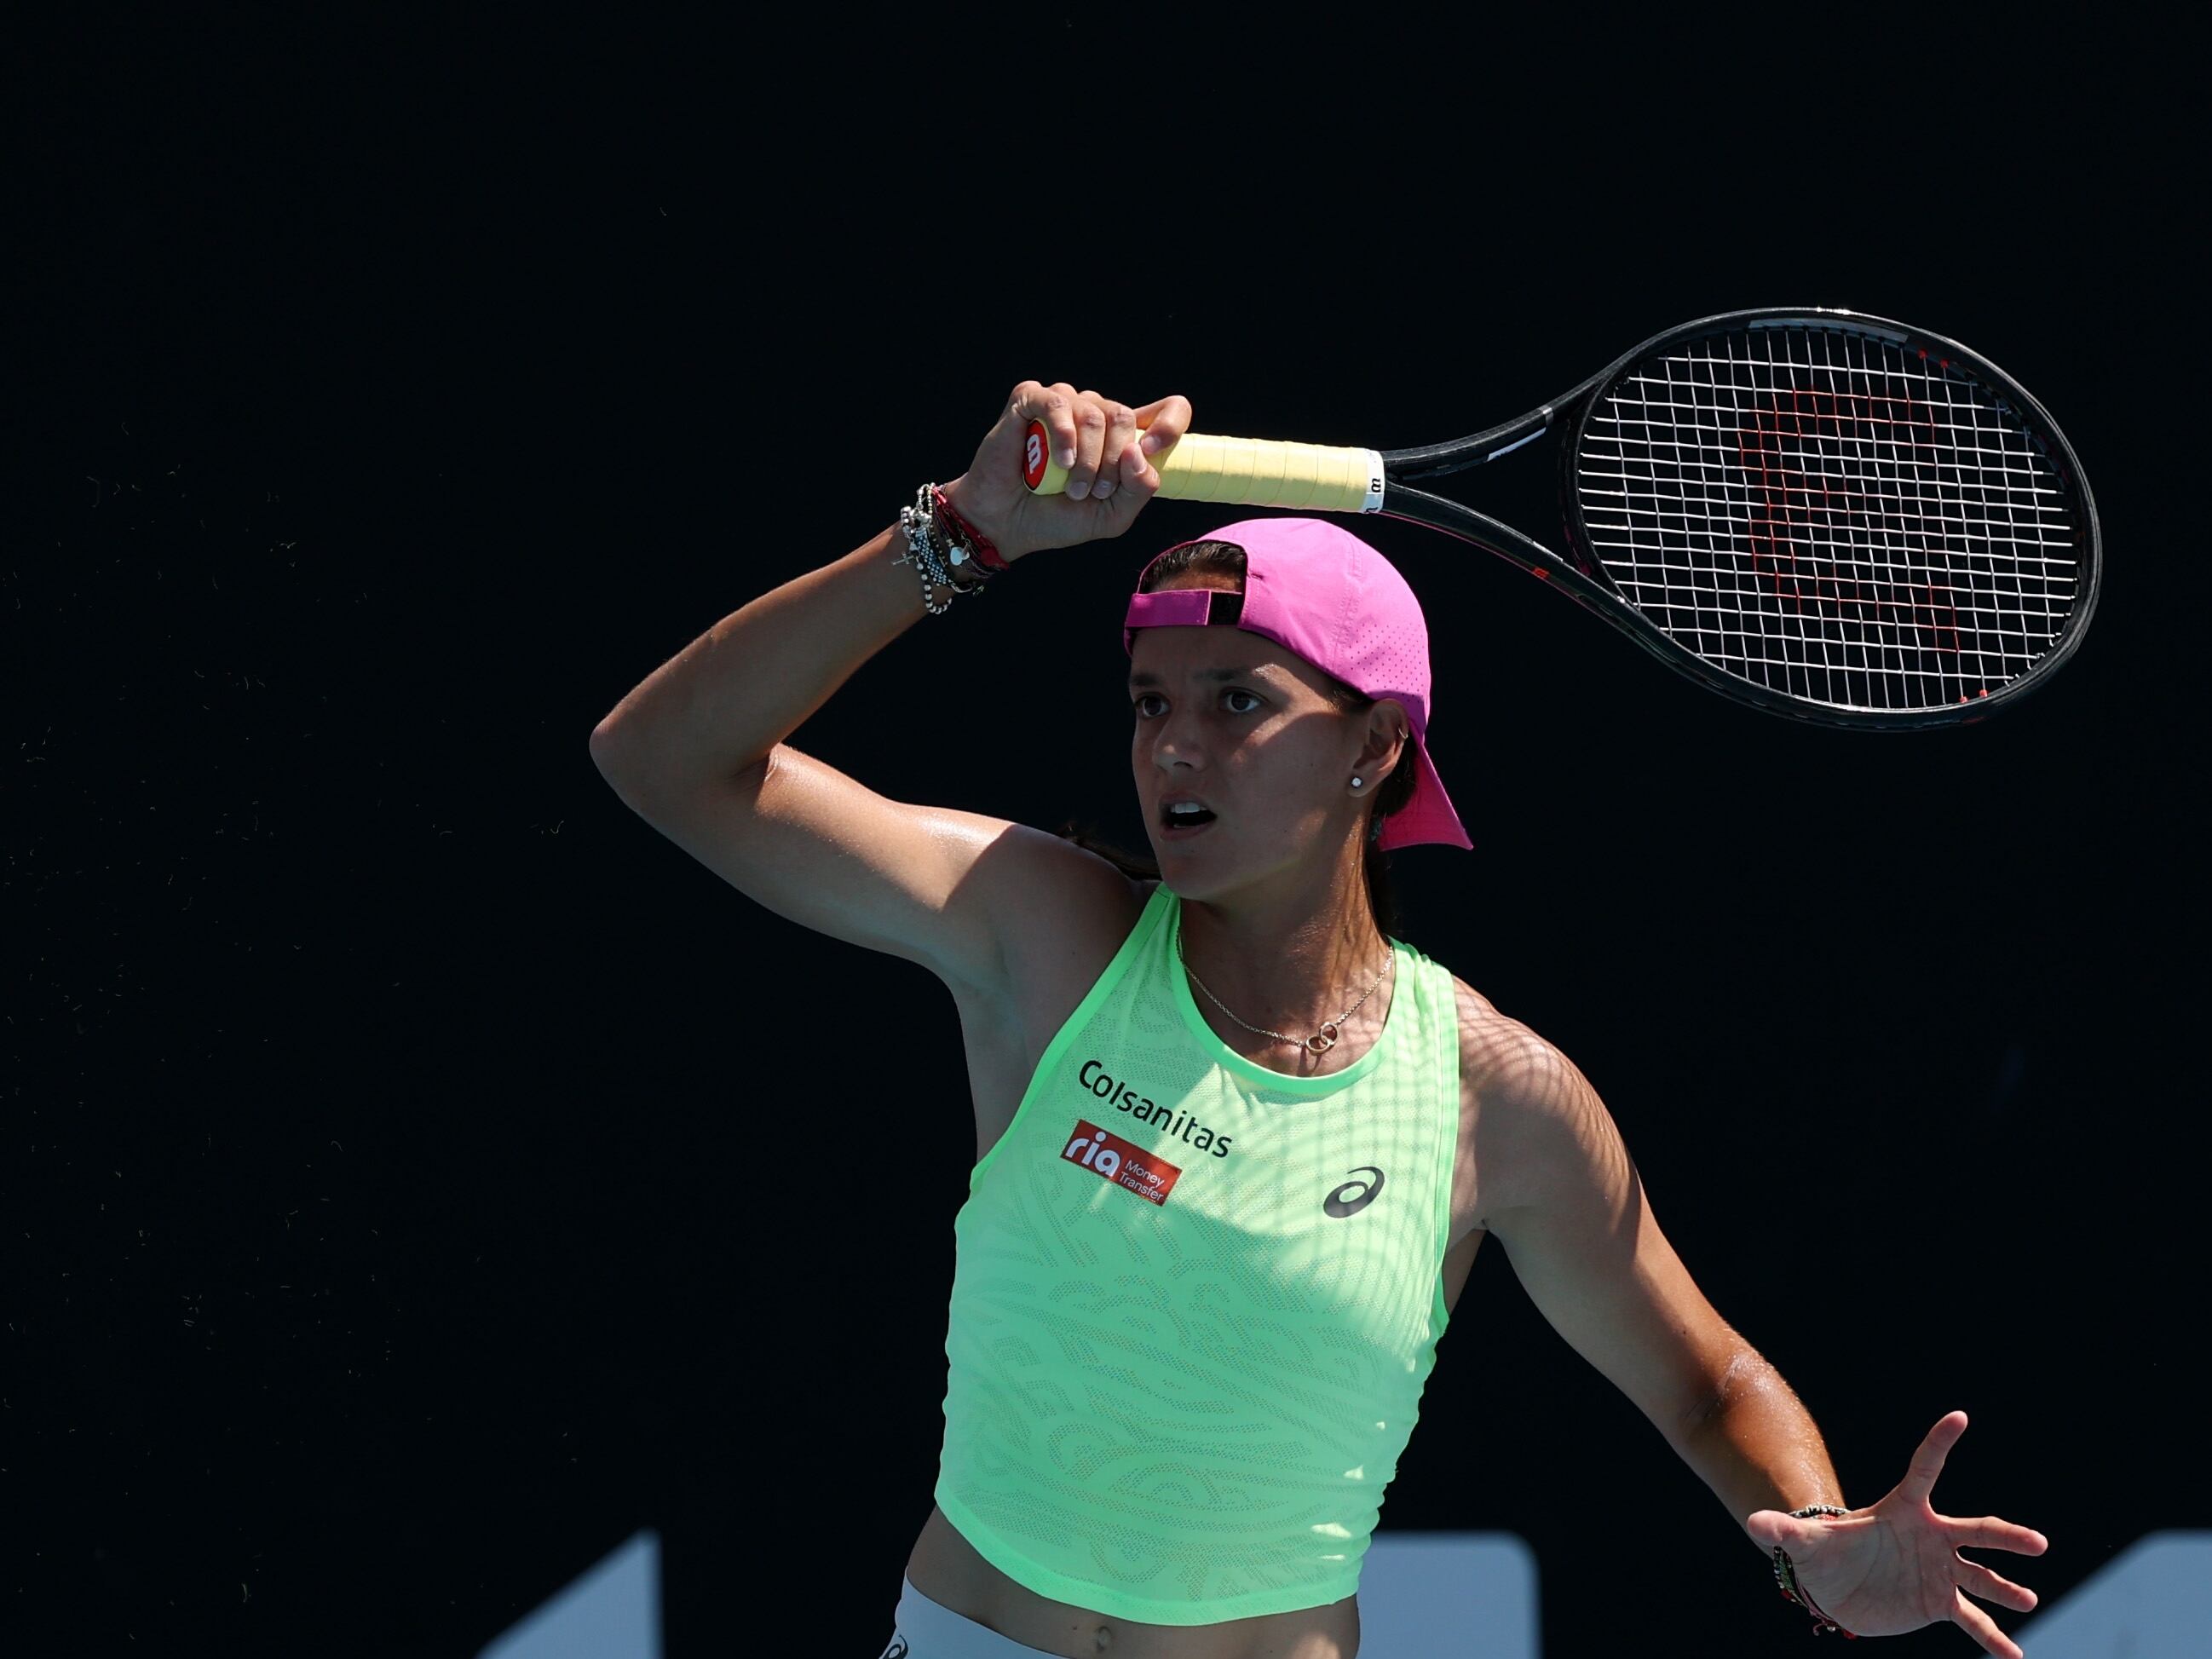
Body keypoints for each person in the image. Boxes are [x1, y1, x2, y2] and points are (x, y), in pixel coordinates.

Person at [588, 383, 2049, 1659]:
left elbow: (1702, 1375)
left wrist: (1812, 1534)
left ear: (1377, 747)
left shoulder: (1495, 1097)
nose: (1175, 746)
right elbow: (666, 760)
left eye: (1238, 700)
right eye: (1152, 700)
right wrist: (961, 533)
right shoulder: (1043, 934)